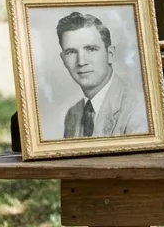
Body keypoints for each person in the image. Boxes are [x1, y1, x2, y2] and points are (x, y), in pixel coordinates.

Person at [54, 11, 148, 139]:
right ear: (63, 59)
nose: (81, 62)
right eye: (71, 52)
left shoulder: (139, 108)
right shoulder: (72, 115)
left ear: (110, 54)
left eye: (91, 49)